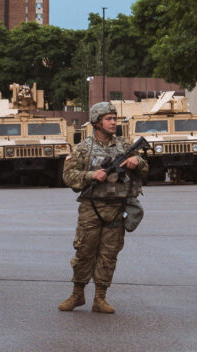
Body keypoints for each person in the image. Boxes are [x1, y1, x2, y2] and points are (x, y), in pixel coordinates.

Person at [58, 102, 148, 314]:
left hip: (117, 208)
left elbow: (145, 169)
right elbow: (68, 176)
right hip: (92, 208)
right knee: (84, 252)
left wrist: (138, 161)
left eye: (114, 118)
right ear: (97, 123)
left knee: (109, 254)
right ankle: (77, 294)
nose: (113, 122)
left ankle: (100, 297)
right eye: (108, 119)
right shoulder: (83, 148)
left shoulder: (124, 147)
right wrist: (91, 175)